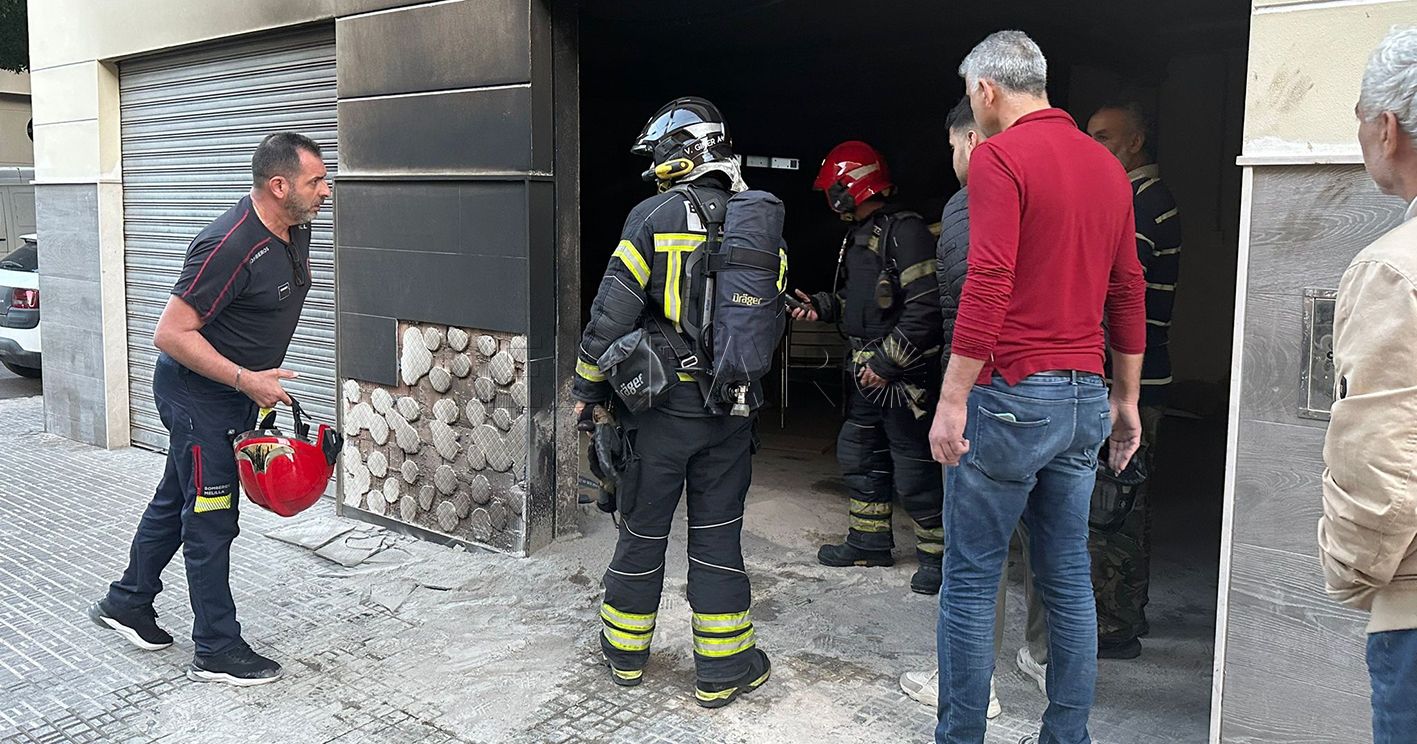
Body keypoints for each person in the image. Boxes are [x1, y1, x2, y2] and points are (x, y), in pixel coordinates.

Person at [928, 30, 1146, 744]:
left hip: (1012, 396)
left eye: (972, 98)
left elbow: (987, 280)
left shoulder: (998, 158)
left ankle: (960, 736)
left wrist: (953, 396)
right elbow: (1126, 288)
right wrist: (1125, 398)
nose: (975, 111)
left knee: (969, 580)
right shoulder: (1107, 169)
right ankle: (1066, 736)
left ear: (986, 91)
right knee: (1066, 579)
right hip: (1084, 398)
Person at [89, 133, 331, 686]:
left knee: (176, 496)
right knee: (211, 518)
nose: (326, 190)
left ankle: (127, 601)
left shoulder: (297, 229)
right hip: (199, 397)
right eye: (315, 181)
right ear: (279, 186)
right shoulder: (227, 244)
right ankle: (217, 649)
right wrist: (247, 378)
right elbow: (170, 334)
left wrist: (251, 384)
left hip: (235, 394)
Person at [572, 97, 774, 709]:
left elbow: (610, 316)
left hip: (661, 412)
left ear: (679, 153)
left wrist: (586, 392)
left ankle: (626, 656)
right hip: (733, 410)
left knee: (643, 528)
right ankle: (723, 670)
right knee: (719, 536)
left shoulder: (654, 217)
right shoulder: (756, 222)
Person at [1318, 26, 1417, 744]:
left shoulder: (1394, 269)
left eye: (1357, 115)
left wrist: (1350, 572)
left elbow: (1379, 464)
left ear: (1386, 127)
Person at [790, 141, 944, 594]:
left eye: (830, 188)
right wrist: (822, 307)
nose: (826, 197)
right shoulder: (862, 234)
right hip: (867, 377)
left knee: (914, 468)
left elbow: (924, 310)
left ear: (850, 186)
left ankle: (937, 557)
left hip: (901, 378)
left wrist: (886, 362)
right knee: (860, 454)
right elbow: (864, 306)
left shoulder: (906, 231)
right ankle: (869, 541)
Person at [898, 97, 1003, 719]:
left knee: (972, 554)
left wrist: (952, 396)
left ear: (969, 138)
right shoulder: (1067, 185)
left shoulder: (968, 203)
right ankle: (1045, 667)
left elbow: (966, 303)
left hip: (988, 395)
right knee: (1057, 558)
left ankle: (969, 691)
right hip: (1065, 390)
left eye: (952, 146)